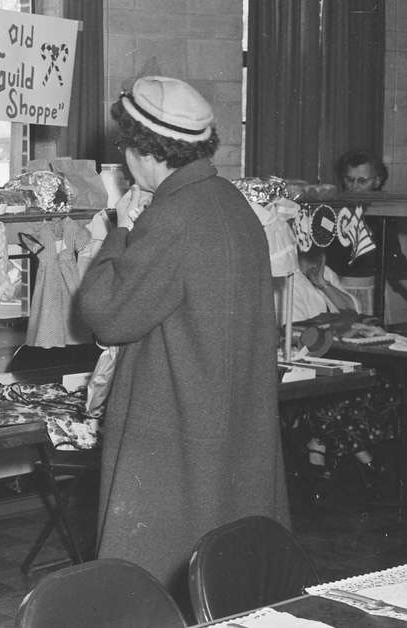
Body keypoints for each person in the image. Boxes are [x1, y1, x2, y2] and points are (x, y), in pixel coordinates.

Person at [77, 76, 289, 598]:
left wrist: (120, 228)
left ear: (144, 150)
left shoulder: (170, 217)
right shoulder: (232, 205)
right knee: (225, 579)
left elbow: (106, 314)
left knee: (156, 578)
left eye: (125, 145)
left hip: (174, 425)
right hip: (230, 421)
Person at [284, 247, 396, 492]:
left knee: (384, 383)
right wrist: (347, 328)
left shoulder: (325, 273)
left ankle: (321, 444)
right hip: (305, 356)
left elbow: (351, 306)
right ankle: (357, 453)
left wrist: (323, 283)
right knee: (344, 392)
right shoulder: (287, 275)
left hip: (338, 351)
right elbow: (299, 329)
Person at [326, 149, 407, 312]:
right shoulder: (332, 210)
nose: (354, 187)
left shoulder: (381, 214)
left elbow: (395, 262)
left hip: (368, 294)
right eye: (349, 179)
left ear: (377, 181)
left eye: (362, 181)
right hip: (332, 292)